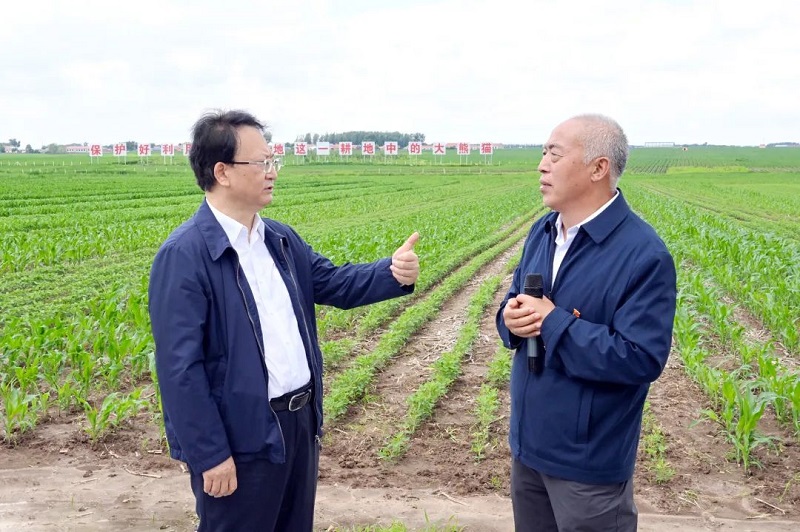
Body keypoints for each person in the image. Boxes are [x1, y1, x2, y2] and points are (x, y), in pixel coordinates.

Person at [148, 109, 420, 531]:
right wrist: (210, 454)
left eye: (274, 160)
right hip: (242, 440)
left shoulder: (279, 240)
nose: (272, 171)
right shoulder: (185, 255)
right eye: (262, 162)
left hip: (297, 426)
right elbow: (179, 370)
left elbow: (334, 282)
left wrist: (391, 273)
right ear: (222, 172)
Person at [496, 114, 676, 531]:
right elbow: (517, 300)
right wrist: (510, 319)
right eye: (543, 153)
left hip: (588, 467)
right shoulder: (543, 231)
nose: (542, 165)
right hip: (528, 450)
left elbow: (640, 358)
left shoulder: (643, 254)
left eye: (555, 155)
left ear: (598, 168)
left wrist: (553, 322)